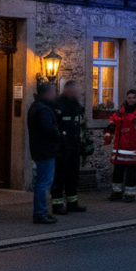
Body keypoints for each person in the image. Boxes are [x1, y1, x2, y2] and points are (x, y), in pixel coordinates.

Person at [105, 89, 136, 202]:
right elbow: (112, 123)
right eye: (129, 98)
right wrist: (107, 136)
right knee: (117, 173)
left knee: (131, 173)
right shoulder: (120, 112)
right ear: (126, 98)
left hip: (133, 149)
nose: (131, 100)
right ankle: (116, 193)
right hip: (119, 149)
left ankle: (130, 195)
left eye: (133, 98)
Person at [26, 82, 62, 224]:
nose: (55, 94)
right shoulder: (43, 110)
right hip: (45, 150)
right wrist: (58, 134)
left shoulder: (36, 107)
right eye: (53, 92)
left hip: (40, 149)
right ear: (47, 93)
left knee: (41, 182)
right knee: (44, 183)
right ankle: (40, 213)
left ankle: (40, 212)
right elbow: (48, 129)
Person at [51, 80, 87, 215]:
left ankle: (72, 203)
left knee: (73, 176)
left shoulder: (76, 105)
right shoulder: (58, 105)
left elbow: (80, 126)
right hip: (62, 149)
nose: (77, 93)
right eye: (75, 90)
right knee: (59, 177)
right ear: (67, 90)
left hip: (74, 147)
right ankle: (57, 204)